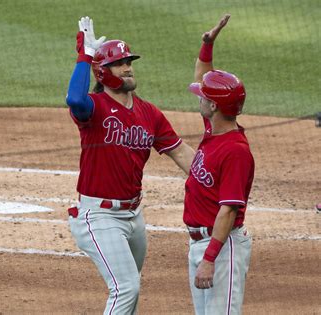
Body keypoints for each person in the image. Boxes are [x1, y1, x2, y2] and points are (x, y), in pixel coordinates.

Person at [66, 16, 195, 314]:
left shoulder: (149, 112)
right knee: (125, 287)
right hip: (99, 216)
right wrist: (84, 55)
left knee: (130, 289)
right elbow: (74, 98)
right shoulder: (94, 108)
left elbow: (180, 153)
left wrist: (213, 178)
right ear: (103, 71)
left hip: (134, 216)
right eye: (119, 63)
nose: (128, 67)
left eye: (129, 61)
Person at [184, 14, 255, 315]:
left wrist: (211, 258)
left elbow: (229, 209)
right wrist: (207, 45)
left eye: (204, 96)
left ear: (214, 106)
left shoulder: (235, 152)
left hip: (221, 248)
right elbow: (204, 78)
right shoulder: (215, 128)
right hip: (202, 244)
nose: (198, 96)